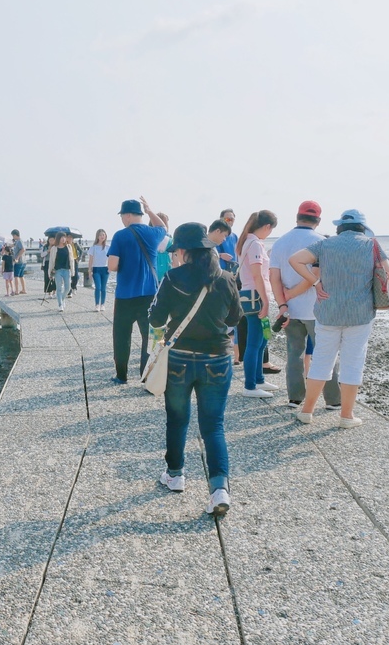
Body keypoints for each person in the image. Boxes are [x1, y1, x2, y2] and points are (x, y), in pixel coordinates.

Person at [150, 222, 242, 517]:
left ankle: (175, 475)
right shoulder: (226, 278)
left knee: (177, 420)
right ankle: (219, 491)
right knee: (213, 426)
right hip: (216, 359)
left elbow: (155, 319)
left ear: (182, 251)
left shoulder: (173, 277)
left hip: (178, 358)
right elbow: (235, 317)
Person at [289, 209, 389, 428]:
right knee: (353, 363)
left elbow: (295, 260)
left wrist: (315, 282)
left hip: (328, 312)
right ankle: (346, 416)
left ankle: (307, 411)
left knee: (321, 361)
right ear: (363, 227)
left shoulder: (325, 244)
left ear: (339, 226)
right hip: (360, 315)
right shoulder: (372, 245)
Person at [268, 201, 341, 409]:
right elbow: (314, 276)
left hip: (290, 309)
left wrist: (283, 303)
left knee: (294, 354)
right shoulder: (321, 242)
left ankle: (295, 398)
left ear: (297, 217)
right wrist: (292, 293)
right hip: (318, 308)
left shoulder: (281, 242)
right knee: (325, 353)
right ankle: (333, 400)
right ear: (318, 220)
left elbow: (274, 277)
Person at [107, 196, 168, 383]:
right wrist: (150, 210)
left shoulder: (120, 235)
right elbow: (164, 228)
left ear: (127, 216)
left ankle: (121, 375)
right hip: (149, 294)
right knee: (149, 336)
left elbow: (112, 266)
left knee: (122, 336)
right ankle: (146, 374)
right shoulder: (153, 233)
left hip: (126, 295)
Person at [236, 210, 279, 398]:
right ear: (267, 227)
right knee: (254, 342)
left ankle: (259, 379)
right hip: (255, 296)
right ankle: (250, 386)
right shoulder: (253, 244)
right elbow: (256, 275)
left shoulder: (250, 241)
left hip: (255, 294)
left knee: (262, 339)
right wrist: (266, 301)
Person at [47, 232, 74, 311]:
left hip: (67, 270)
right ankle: (60, 305)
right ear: (58, 238)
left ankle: (62, 299)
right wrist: (50, 272)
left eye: (64, 237)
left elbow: (72, 260)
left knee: (67, 288)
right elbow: (51, 261)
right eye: (61, 237)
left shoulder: (69, 247)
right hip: (57, 270)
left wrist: (73, 271)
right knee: (58, 288)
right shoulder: (54, 248)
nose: (63, 239)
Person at [87, 228, 110, 312]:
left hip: (105, 269)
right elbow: (90, 260)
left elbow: (110, 258)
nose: (102, 236)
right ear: (97, 236)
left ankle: (102, 304)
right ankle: (97, 305)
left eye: (103, 235)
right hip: (96, 269)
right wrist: (90, 270)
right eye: (100, 235)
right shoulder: (93, 248)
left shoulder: (108, 247)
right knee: (98, 287)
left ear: (105, 236)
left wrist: (110, 268)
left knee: (103, 288)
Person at [156, 212, 173, 281]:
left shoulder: (148, 238)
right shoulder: (169, 239)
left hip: (151, 274)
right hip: (166, 273)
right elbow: (175, 261)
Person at [11, 230, 28, 294]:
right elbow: (14, 245)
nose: (13, 237)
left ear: (15, 235)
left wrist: (17, 257)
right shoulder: (19, 241)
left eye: (13, 235)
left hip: (19, 261)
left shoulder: (19, 241)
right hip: (23, 261)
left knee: (16, 276)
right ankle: (23, 289)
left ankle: (17, 290)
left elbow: (23, 249)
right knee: (21, 276)